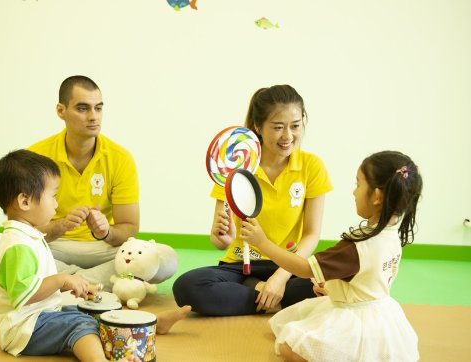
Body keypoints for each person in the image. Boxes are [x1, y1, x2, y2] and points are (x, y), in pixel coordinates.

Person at [0, 75, 175, 289]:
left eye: (98, 108)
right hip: (51, 245)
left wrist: (106, 231)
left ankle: (51, 282)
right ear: (61, 111)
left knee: (165, 258)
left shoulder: (120, 158)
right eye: (82, 108)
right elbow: (24, 226)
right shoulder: (36, 156)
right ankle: (97, 284)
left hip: (103, 249)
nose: (93, 117)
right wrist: (60, 226)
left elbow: (130, 228)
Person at [0, 149, 190, 361]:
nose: (56, 204)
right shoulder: (18, 244)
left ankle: (150, 324)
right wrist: (62, 280)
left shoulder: (28, 235)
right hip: (21, 329)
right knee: (79, 323)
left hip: (39, 316)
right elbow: (24, 295)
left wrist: (71, 283)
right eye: (53, 196)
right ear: (25, 202)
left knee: (87, 312)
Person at [241, 150, 421, 361]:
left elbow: (304, 268)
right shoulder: (391, 236)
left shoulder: (358, 246)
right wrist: (333, 288)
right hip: (382, 315)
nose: (354, 192)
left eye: (358, 184)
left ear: (378, 196)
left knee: (287, 344)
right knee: (286, 322)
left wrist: (263, 243)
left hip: (354, 318)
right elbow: (366, 280)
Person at [173, 85, 333, 315]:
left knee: (333, 284)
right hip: (241, 267)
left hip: (289, 266)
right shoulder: (235, 168)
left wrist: (280, 277)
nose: (288, 136)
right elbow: (221, 241)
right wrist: (223, 237)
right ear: (258, 127)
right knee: (187, 286)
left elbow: (311, 234)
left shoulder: (311, 166)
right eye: (278, 127)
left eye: (295, 126)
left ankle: (259, 295)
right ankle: (271, 299)